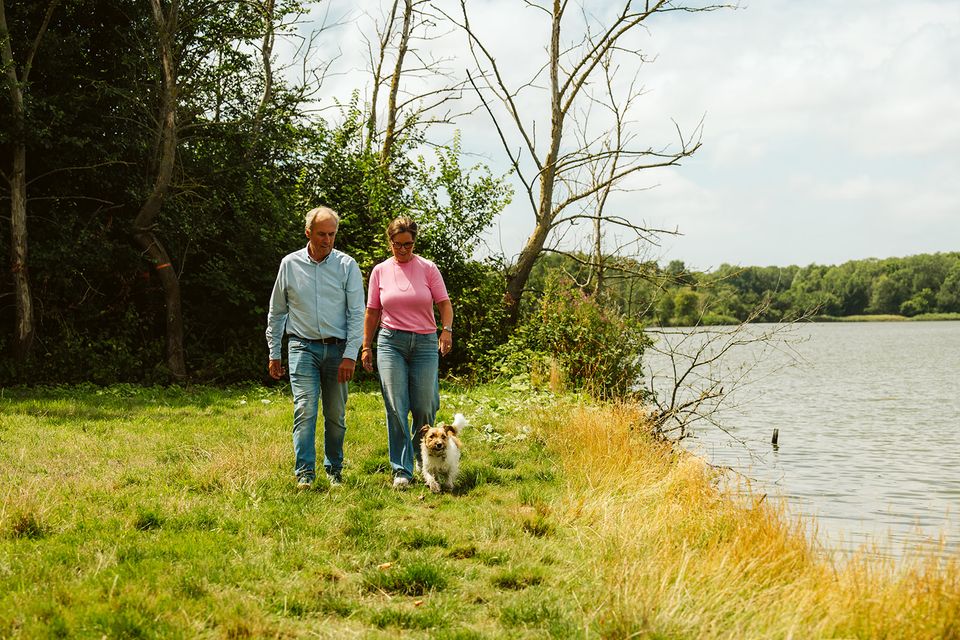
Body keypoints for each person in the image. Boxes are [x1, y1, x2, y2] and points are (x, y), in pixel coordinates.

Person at [266, 206, 365, 490]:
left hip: (337, 350)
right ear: (308, 232)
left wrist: (350, 355)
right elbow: (277, 311)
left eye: (332, 234)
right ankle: (305, 473)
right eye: (322, 234)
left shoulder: (347, 266)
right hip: (301, 347)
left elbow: (356, 313)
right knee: (305, 409)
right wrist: (274, 352)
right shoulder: (290, 264)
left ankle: (334, 469)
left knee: (335, 414)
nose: (327, 240)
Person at [361, 216, 453, 490]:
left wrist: (446, 330)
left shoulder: (427, 268)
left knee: (425, 406)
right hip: (391, 343)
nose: (403, 250)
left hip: (425, 343)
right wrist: (366, 345)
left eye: (408, 244)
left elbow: (445, 304)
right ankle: (402, 469)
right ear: (389, 242)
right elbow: (373, 312)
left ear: (414, 242)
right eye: (398, 244)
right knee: (396, 407)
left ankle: (422, 458)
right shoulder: (380, 271)